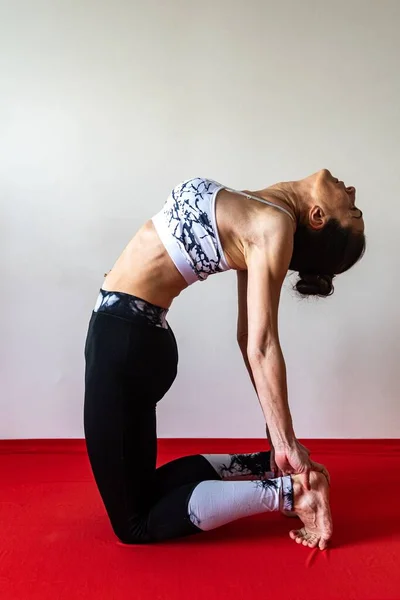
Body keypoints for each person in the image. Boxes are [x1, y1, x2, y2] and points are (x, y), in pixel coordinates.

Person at [84, 169, 365, 549]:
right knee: (145, 490)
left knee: (133, 524)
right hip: (130, 335)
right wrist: (278, 444)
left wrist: (286, 440)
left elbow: (260, 343)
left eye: (353, 209)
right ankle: (268, 468)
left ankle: (293, 494)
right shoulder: (264, 210)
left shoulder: (273, 226)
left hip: (125, 340)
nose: (351, 191)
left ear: (318, 217)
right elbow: (247, 335)